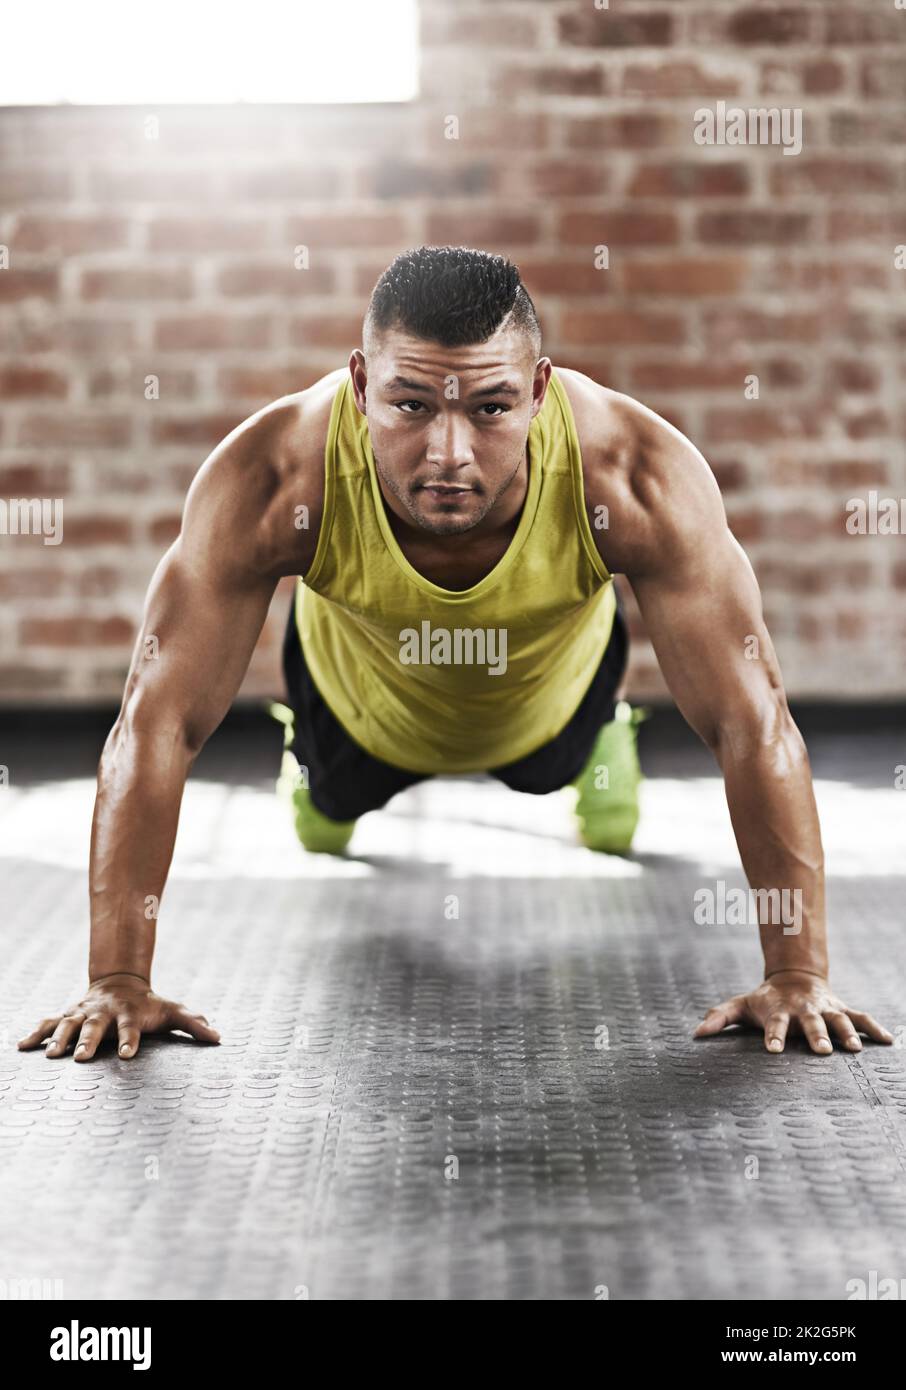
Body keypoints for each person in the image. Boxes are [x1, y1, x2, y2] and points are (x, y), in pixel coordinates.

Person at [18, 245, 892, 1064]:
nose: (448, 453)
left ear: (540, 391)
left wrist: (797, 975)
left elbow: (752, 716)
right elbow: (156, 719)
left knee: (583, 787)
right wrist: (118, 981)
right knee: (323, 819)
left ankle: (605, 741)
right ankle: (315, 778)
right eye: (410, 406)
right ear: (360, 385)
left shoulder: (629, 472)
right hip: (358, 713)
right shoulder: (278, 474)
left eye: (491, 408)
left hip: (550, 708)